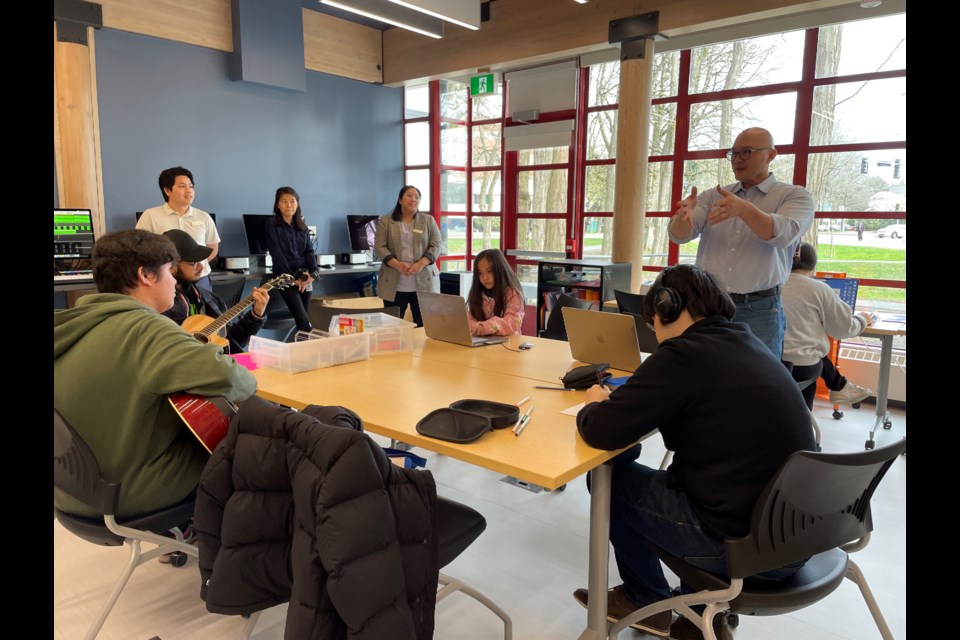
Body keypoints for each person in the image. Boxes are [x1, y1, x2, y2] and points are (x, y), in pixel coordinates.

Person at [572, 264, 815, 638]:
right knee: (689, 478)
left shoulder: (684, 354)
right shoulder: (747, 341)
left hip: (745, 549)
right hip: (797, 538)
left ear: (668, 307)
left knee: (611, 480)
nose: (655, 334)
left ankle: (645, 599)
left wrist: (593, 403)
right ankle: (699, 609)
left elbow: (602, 430)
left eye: (654, 322)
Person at [54, 229, 256, 519]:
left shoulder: (71, 324)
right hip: (125, 493)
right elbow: (238, 380)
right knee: (249, 446)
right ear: (146, 276)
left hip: (70, 492)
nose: (175, 280)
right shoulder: (146, 330)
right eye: (169, 271)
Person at [669, 127, 814, 358]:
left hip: (760, 307)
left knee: (758, 382)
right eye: (733, 153)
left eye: (746, 152)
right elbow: (680, 235)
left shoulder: (794, 196)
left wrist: (744, 209)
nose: (737, 160)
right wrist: (683, 217)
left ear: (771, 155)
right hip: (709, 305)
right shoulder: (713, 195)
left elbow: (783, 233)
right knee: (706, 374)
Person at [782, 242, 875, 409]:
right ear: (813, 265)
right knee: (811, 350)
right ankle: (838, 388)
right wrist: (862, 319)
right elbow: (843, 329)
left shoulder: (769, 285)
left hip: (768, 363)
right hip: (802, 368)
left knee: (805, 345)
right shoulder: (819, 289)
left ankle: (840, 386)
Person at [162, 229, 269, 354]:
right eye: (193, 263)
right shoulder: (159, 308)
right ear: (171, 267)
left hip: (221, 367)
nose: (201, 267)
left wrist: (256, 314)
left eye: (200, 261)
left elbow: (233, 341)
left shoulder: (208, 298)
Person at [136, 166, 220, 292]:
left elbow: (213, 246)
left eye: (191, 186)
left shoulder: (204, 216)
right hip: (166, 280)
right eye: (182, 186)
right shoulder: (151, 215)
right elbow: (140, 248)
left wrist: (193, 267)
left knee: (203, 311)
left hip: (199, 279)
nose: (189, 190)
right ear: (167, 190)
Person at [374, 185, 442, 327]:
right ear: (400, 200)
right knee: (390, 327)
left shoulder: (428, 220)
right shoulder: (386, 221)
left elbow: (437, 245)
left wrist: (420, 263)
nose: (413, 199)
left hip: (424, 281)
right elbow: (379, 247)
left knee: (425, 326)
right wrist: (398, 264)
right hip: (394, 282)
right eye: (409, 195)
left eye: (417, 197)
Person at [263, 186, 320, 333]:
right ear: (277, 204)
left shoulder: (302, 226)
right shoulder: (272, 224)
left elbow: (309, 251)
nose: (289, 205)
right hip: (284, 278)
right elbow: (277, 254)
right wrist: (292, 280)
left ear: (297, 203)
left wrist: (312, 274)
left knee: (304, 319)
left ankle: (299, 351)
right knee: (303, 322)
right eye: (284, 201)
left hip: (304, 276)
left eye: (292, 201)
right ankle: (306, 353)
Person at [467, 248, 525, 337]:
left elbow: (512, 321)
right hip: (484, 343)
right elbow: (469, 319)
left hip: (509, 344)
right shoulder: (478, 293)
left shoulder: (513, 293)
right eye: (480, 273)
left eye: (489, 271)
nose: (485, 277)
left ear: (500, 270)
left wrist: (483, 327)